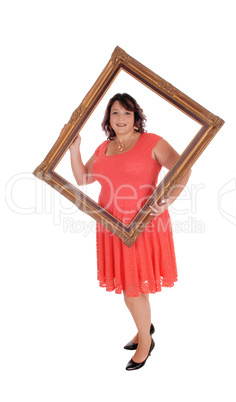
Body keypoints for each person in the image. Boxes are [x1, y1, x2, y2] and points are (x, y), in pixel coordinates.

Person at [69, 93, 191, 371]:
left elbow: (184, 169)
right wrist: (74, 149)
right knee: (132, 282)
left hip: (143, 224)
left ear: (136, 117)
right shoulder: (104, 148)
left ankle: (146, 344)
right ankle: (144, 326)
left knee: (132, 287)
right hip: (111, 226)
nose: (121, 118)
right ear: (108, 119)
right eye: (115, 113)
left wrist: (167, 200)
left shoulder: (152, 142)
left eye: (127, 113)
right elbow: (83, 178)